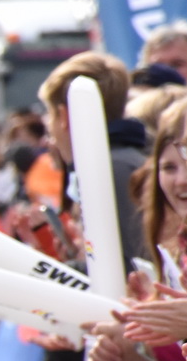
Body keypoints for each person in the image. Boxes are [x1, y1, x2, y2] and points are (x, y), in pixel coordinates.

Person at [38, 51, 148, 267]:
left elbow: (131, 265)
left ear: (63, 117)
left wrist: (72, 269)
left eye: (49, 114)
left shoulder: (109, 170)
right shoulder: (117, 163)